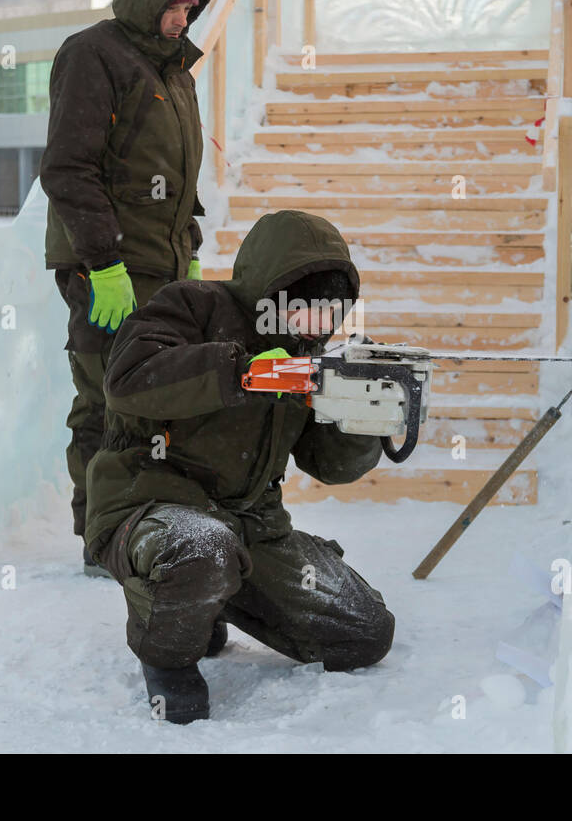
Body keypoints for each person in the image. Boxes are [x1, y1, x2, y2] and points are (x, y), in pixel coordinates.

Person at [87, 210, 396, 723]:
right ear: (277, 293)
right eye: (312, 309)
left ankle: (210, 594)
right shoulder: (190, 305)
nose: (321, 326)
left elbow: (327, 463)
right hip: (149, 505)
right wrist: (242, 372)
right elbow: (129, 379)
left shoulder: (311, 358)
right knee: (200, 548)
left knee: (365, 632)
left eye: (334, 314)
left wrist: (364, 420)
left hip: (253, 524)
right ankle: (169, 654)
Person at [39, 0, 214, 572]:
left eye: (193, 8)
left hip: (161, 268)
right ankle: (100, 537)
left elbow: (177, 175)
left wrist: (187, 249)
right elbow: (68, 167)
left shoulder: (175, 73)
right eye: (175, 6)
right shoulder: (94, 54)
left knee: (152, 400)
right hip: (107, 269)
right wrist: (103, 263)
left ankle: (140, 521)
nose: (185, 19)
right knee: (104, 401)